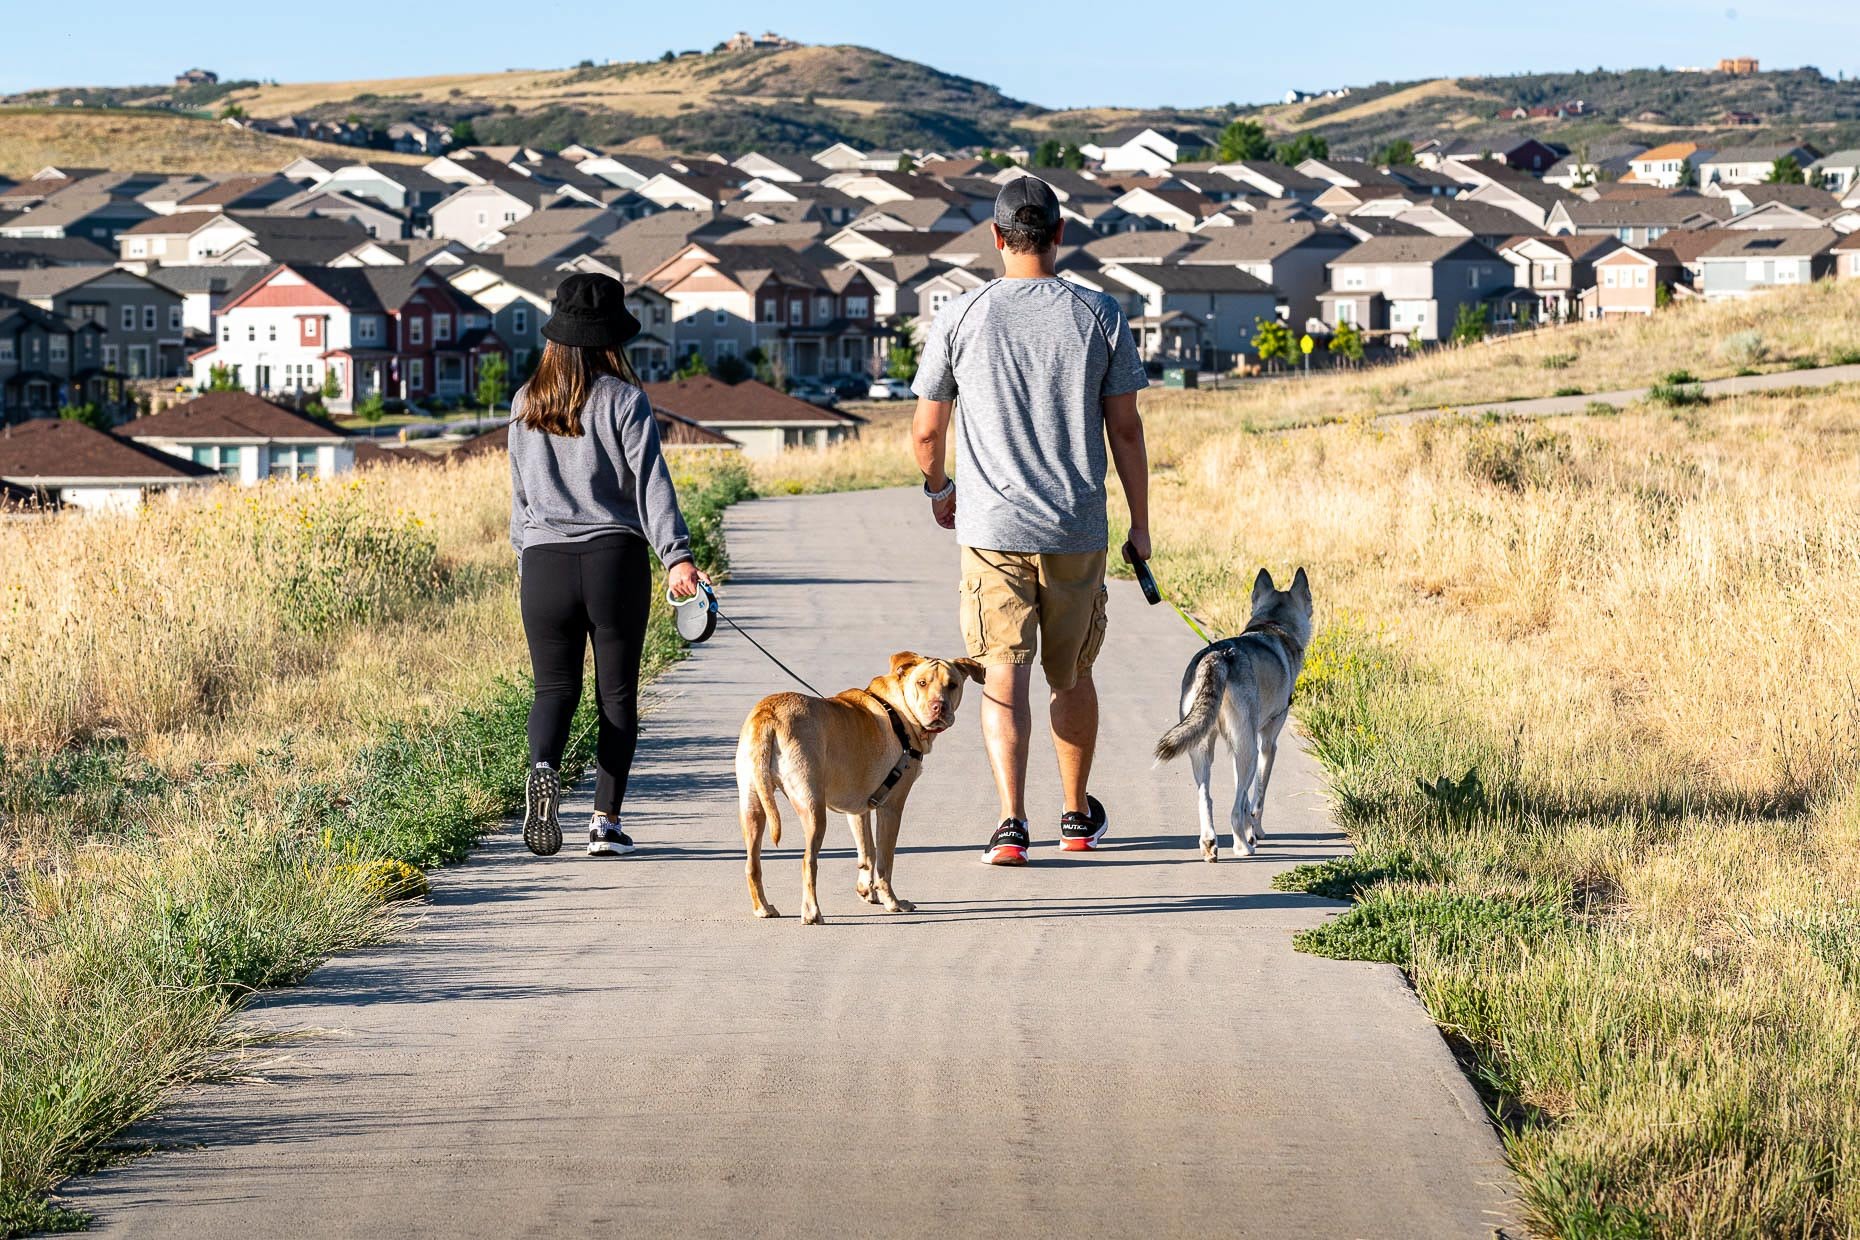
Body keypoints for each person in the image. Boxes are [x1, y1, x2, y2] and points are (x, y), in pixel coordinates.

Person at [909, 175, 1152, 865]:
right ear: (1060, 234)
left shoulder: (960, 315)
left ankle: (1011, 825)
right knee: (1069, 674)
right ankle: (1076, 817)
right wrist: (1140, 525)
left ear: (996, 238)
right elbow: (1126, 432)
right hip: (1077, 527)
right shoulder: (1100, 312)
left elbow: (927, 434)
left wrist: (939, 490)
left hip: (991, 532)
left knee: (1002, 672)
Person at [509, 272, 707, 859]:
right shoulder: (623, 400)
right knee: (615, 696)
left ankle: (543, 767)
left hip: (543, 563)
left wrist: (527, 558)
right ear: (608, 339)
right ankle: (604, 822)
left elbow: (519, 498)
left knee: (553, 690)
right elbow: (651, 486)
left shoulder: (523, 403)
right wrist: (677, 557)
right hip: (611, 560)